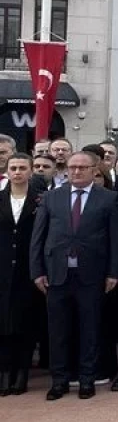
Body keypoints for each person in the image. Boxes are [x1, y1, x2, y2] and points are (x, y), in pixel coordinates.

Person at [31, 151, 118, 400]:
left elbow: (116, 239)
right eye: (72, 167)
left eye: (82, 167)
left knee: (90, 329)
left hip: (91, 275)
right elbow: (38, 237)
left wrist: (114, 272)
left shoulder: (109, 199)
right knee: (58, 332)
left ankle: (87, 379)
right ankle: (59, 381)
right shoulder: (51, 198)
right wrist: (37, 271)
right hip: (56, 274)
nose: (76, 171)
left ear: (94, 170)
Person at [0, 155, 39, 396]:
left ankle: (21, 374)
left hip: (29, 271)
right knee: (3, 324)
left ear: (31, 171)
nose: (17, 172)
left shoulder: (40, 200)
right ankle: (5, 372)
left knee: (26, 323)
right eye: (13, 168)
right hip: (2, 271)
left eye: (22, 168)